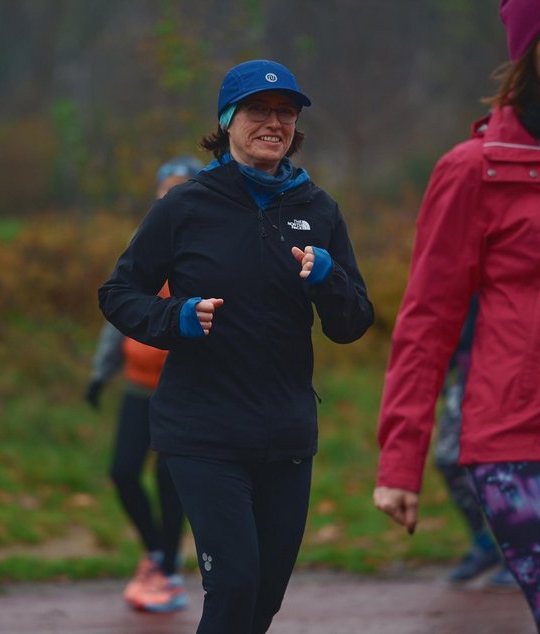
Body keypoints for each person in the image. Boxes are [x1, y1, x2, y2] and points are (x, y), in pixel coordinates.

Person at [373, 1, 540, 632]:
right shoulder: (476, 171)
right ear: (528, 50)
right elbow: (426, 324)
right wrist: (400, 463)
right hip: (523, 452)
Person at [99, 59, 374, 634]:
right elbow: (119, 292)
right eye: (258, 111)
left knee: (262, 602)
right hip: (203, 432)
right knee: (234, 587)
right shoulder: (185, 206)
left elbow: (352, 323)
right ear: (227, 121)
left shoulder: (317, 210)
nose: (273, 123)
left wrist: (328, 278)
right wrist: (175, 317)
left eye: (285, 113)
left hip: (286, 434)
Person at [85, 155, 204, 613]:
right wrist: (101, 373)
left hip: (181, 384)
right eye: (164, 188)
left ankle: (169, 571)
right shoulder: (147, 240)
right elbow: (119, 311)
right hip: (137, 382)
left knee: (169, 480)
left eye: (180, 187)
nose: (169, 196)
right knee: (122, 471)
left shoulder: (205, 245)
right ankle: (158, 552)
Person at [432, 297, 516, 589]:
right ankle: (485, 543)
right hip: (468, 376)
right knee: (448, 459)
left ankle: (515, 554)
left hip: (511, 376)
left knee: (506, 465)